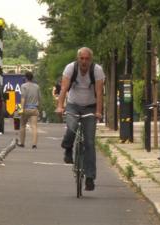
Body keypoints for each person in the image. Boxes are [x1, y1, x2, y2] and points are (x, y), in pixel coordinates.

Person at [55, 47, 105, 191]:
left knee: (89, 142)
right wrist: (60, 106)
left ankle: (90, 177)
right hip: (73, 105)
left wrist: (98, 112)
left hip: (90, 107)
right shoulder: (70, 69)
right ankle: (68, 147)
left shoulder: (97, 70)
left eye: (87, 59)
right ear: (78, 59)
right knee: (71, 128)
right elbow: (64, 89)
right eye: (81, 58)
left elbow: (99, 93)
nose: (84, 62)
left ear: (91, 59)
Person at [17, 71, 41, 149]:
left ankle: (22, 143)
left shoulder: (23, 86)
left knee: (22, 125)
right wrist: (39, 108)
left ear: (26, 78)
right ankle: (34, 144)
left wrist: (21, 110)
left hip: (26, 109)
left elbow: (23, 98)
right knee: (34, 126)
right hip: (34, 109)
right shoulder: (37, 86)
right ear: (32, 78)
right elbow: (39, 99)